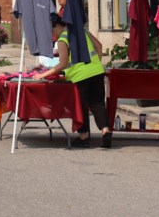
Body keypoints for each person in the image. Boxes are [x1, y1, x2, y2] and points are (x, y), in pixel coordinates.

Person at [34, 13, 111, 148]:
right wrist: (95, 65)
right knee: (98, 103)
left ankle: (83, 137)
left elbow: (62, 63)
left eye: (52, 30)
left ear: (58, 26)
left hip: (80, 77)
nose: (53, 34)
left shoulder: (63, 39)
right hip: (97, 72)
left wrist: (42, 75)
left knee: (81, 106)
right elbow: (99, 46)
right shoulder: (82, 32)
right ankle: (105, 132)